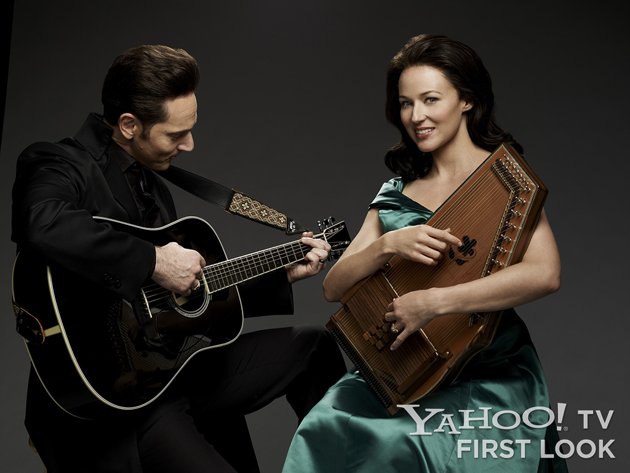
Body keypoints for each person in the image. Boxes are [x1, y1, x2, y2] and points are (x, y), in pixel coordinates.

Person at [11, 44, 346, 473]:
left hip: (173, 374)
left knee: (314, 347)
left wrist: (279, 275)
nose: (189, 144)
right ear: (129, 125)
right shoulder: (59, 162)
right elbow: (42, 222)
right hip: (113, 405)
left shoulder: (154, 186)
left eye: (190, 130)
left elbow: (176, 306)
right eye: (175, 135)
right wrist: (154, 260)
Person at [281, 34, 568, 472]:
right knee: (327, 425)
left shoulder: (505, 184)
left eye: (431, 99)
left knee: (414, 446)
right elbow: (333, 288)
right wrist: (387, 244)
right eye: (405, 104)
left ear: (466, 99)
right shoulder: (397, 194)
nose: (416, 117)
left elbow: (545, 274)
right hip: (406, 371)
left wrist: (434, 302)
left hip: (487, 369)